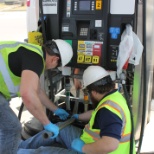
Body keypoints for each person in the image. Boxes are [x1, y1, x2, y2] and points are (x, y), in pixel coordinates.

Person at [17, 65, 136, 154]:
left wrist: (83, 148)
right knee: (59, 128)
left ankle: (13, 152)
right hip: (90, 142)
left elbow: (110, 144)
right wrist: (78, 117)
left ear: (94, 91)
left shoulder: (108, 111)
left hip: (94, 150)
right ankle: (21, 146)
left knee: (44, 152)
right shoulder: (114, 97)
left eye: (88, 92)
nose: (89, 95)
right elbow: (96, 113)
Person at [0, 39, 73, 154]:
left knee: (6, 130)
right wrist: (46, 123)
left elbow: (38, 91)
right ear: (55, 59)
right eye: (55, 66)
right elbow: (27, 94)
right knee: (12, 128)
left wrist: (56, 109)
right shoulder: (36, 59)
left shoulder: (33, 53)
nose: (51, 68)